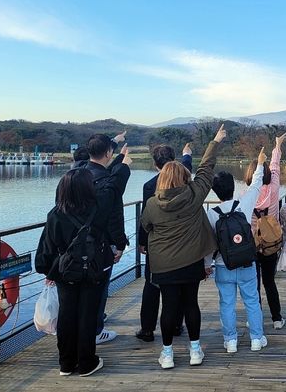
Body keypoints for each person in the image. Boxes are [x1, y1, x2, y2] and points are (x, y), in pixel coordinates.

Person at [35, 159, 129, 377]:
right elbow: (114, 185)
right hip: (95, 268)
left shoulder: (55, 214)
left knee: (67, 315)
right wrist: (122, 163)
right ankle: (86, 362)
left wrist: (49, 271)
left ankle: (66, 364)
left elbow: (46, 250)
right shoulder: (100, 207)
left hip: (66, 271)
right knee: (88, 315)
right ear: (89, 187)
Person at [141, 125, 225, 369]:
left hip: (164, 265)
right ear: (184, 177)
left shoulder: (152, 204)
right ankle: (195, 350)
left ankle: (167, 354)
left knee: (168, 307)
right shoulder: (194, 194)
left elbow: (146, 226)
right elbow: (206, 168)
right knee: (191, 304)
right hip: (191, 261)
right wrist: (215, 141)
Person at [209, 147, 269, 353]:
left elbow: (209, 244)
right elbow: (256, 184)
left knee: (226, 303)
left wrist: (207, 264)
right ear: (233, 187)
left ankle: (231, 341)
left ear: (214, 191)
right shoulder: (244, 206)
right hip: (246, 262)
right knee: (252, 300)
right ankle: (256, 338)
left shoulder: (211, 214)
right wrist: (260, 163)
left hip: (222, 264)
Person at [135, 143, 193, 342]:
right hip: (182, 242)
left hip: (157, 243)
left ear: (154, 164)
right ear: (174, 160)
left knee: (151, 285)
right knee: (178, 285)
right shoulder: (184, 177)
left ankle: (147, 329)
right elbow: (186, 163)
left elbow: (145, 217)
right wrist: (187, 154)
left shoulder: (149, 186)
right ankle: (176, 325)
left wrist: (142, 242)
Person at [83, 131, 130, 344]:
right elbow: (113, 216)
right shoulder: (107, 184)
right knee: (99, 289)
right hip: (100, 245)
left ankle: (84, 329)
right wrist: (119, 244)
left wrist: (117, 147)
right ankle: (95, 331)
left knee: (80, 292)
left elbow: (104, 169)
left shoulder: (77, 174)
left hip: (75, 245)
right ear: (108, 153)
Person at [245, 132, 286, 330]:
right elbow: (275, 167)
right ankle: (277, 318)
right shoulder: (274, 187)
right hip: (271, 244)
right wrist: (276, 146)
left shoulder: (248, 194)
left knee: (253, 285)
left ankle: (255, 318)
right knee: (270, 282)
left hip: (253, 244)